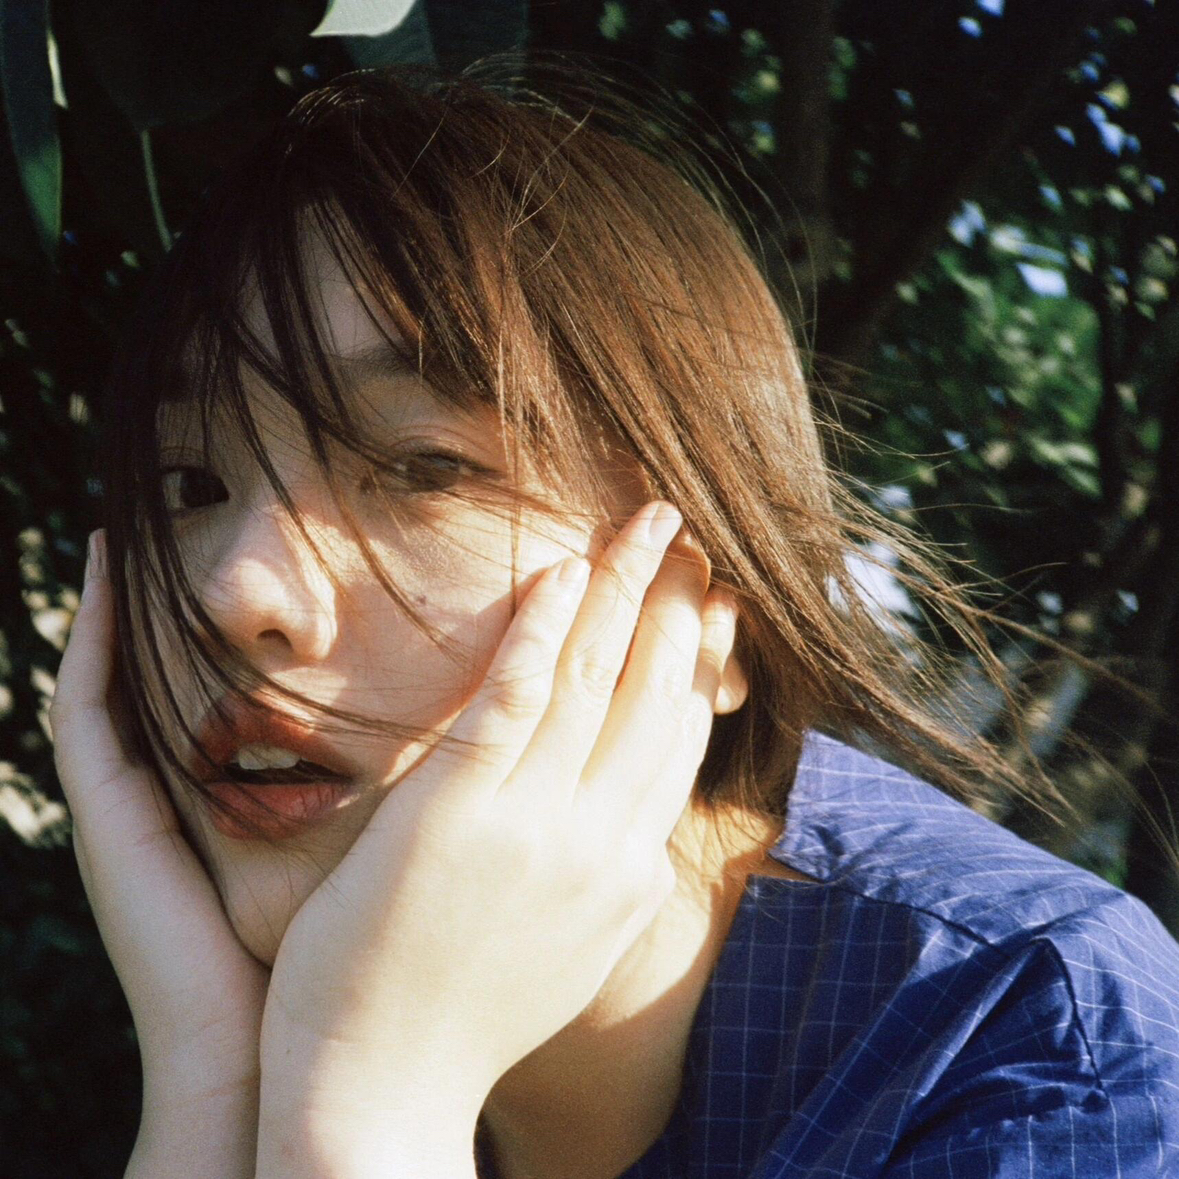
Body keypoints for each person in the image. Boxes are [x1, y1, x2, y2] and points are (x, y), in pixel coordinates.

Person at [50, 66, 1179, 1179]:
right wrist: (209, 1092)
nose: (232, 594)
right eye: (188, 485)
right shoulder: (253, 1023)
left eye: (425, 467)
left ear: (715, 605)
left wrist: (374, 1113)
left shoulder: (1040, 1046)